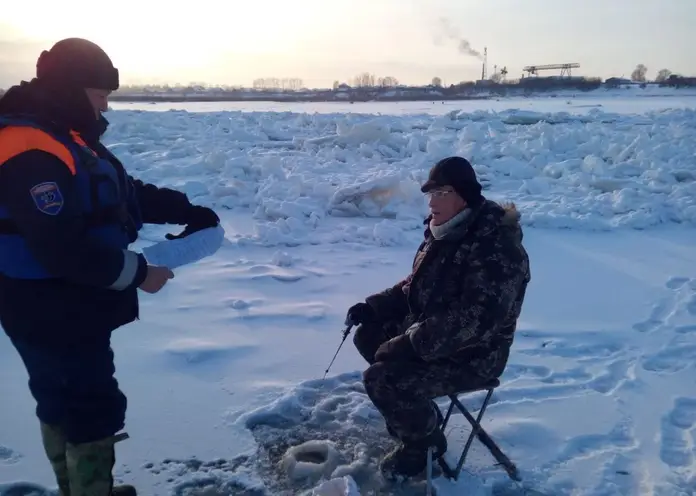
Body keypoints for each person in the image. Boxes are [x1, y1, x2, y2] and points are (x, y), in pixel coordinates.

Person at [0, 38, 220, 496]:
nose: (105, 104)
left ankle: (81, 489)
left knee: (64, 398)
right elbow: (59, 248)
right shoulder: (30, 147)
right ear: (71, 87)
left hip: (65, 298)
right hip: (50, 304)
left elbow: (119, 192)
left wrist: (186, 209)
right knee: (89, 404)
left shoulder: (63, 134)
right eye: (100, 93)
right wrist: (141, 274)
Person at [345, 156, 531, 479]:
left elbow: (474, 322)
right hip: (435, 335)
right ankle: (417, 414)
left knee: (381, 378)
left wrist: (410, 344)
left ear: (462, 195)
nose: (431, 203)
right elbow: (414, 286)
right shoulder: (446, 229)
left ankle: (424, 447)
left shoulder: (496, 248)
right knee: (368, 334)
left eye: (439, 193)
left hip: (474, 355)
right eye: (429, 194)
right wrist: (373, 306)